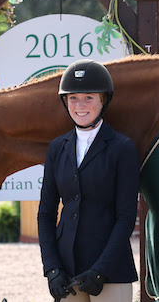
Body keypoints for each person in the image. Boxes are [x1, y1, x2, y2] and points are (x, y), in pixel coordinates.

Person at [37, 59, 140, 302]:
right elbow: (45, 213)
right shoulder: (56, 148)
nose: (80, 105)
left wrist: (101, 270)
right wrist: (52, 269)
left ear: (103, 100)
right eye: (73, 98)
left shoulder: (122, 148)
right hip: (66, 272)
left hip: (111, 270)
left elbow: (125, 217)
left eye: (88, 97)